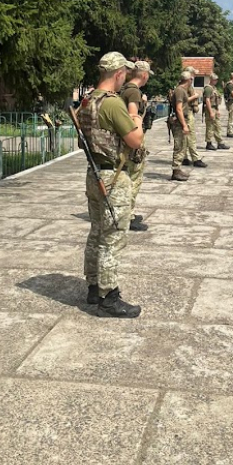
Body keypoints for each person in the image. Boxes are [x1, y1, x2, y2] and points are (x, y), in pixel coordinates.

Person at [79, 52, 143, 317]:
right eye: (124, 74)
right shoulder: (113, 104)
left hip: (94, 175)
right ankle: (109, 296)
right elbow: (135, 140)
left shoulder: (87, 100)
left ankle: (93, 286)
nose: (124, 79)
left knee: (96, 232)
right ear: (118, 74)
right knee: (112, 237)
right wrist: (137, 121)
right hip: (113, 178)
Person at [120, 61, 151, 232]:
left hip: (124, 139)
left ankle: (127, 212)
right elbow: (133, 117)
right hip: (132, 140)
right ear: (144, 75)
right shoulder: (133, 92)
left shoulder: (125, 89)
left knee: (128, 176)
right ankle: (127, 216)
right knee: (134, 178)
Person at [170, 70, 195, 181]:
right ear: (189, 80)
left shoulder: (181, 90)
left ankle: (178, 169)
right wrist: (184, 125)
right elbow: (179, 108)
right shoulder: (180, 91)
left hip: (181, 121)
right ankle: (175, 171)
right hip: (179, 123)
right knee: (179, 146)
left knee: (183, 146)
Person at [181, 65, 206, 169]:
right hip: (187, 113)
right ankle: (195, 159)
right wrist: (195, 97)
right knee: (191, 137)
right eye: (194, 74)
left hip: (187, 112)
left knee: (185, 137)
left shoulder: (187, 86)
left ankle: (184, 157)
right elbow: (183, 100)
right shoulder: (185, 87)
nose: (195, 76)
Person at [203, 74, 229, 151]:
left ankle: (220, 143)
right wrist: (211, 112)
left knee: (217, 126)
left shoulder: (214, 88)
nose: (216, 81)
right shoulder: (208, 89)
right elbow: (207, 100)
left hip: (214, 108)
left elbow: (215, 100)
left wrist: (217, 110)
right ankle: (209, 143)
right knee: (210, 127)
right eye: (215, 80)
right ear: (211, 80)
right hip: (210, 109)